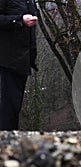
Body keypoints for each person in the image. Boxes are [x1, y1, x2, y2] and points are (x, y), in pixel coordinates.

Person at [0, 0, 38, 130]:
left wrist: (33, 53)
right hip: (6, 60)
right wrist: (19, 19)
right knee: (7, 109)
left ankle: (11, 144)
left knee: (15, 107)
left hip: (23, 61)